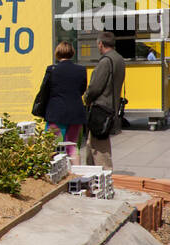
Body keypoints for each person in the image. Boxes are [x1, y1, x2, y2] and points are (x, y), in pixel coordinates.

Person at [83, 30, 126, 169]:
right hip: (111, 107)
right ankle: (90, 175)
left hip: (101, 110)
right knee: (92, 145)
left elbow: (95, 87)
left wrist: (86, 98)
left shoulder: (105, 61)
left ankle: (104, 177)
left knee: (100, 149)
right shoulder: (119, 59)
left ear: (101, 44)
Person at [40, 42, 87, 162]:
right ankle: (76, 176)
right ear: (72, 53)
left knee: (54, 148)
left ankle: (57, 177)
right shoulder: (81, 70)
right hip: (76, 113)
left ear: (57, 53)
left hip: (56, 113)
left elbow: (45, 90)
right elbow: (82, 90)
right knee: (73, 148)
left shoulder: (52, 70)